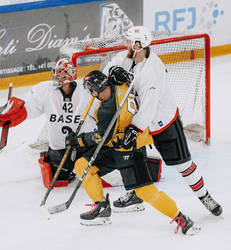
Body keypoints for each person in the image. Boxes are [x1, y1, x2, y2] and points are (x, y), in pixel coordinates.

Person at [102, 26, 222, 216]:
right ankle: (134, 193)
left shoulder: (152, 69)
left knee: (183, 165)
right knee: (131, 156)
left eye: (129, 40)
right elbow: (109, 69)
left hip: (162, 122)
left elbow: (149, 106)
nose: (126, 43)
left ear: (138, 44)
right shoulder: (128, 57)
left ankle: (204, 195)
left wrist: (134, 130)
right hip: (137, 119)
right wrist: (112, 72)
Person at [65, 70, 200, 235]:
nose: (92, 95)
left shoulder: (107, 110)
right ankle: (101, 206)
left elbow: (102, 137)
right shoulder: (120, 84)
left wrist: (79, 140)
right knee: (83, 164)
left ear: (97, 88)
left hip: (129, 150)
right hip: (126, 142)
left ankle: (181, 218)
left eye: (92, 90)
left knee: (146, 191)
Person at [0, 58, 97, 188]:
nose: (56, 75)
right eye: (55, 72)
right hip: (58, 147)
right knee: (56, 181)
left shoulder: (85, 91)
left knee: (94, 174)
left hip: (84, 145)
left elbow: (100, 113)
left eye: (60, 72)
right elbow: (31, 106)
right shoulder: (46, 90)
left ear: (70, 73)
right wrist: (17, 113)